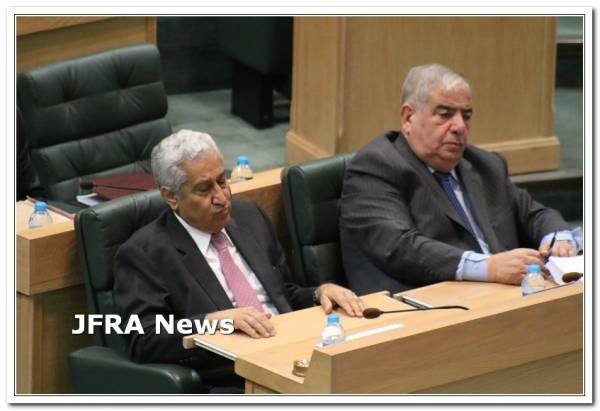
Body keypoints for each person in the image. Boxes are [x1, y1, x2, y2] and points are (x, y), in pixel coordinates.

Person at [113, 129, 364, 393]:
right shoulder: (144, 253)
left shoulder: (249, 216)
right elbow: (144, 338)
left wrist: (319, 293)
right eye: (204, 189)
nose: (222, 198)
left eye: (222, 181)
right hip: (234, 379)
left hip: (296, 354)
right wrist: (213, 322)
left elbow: (284, 293)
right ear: (171, 196)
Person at [339, 63, 581, 295]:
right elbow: (400, 247)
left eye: (466, 116)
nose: (460, 127)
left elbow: (534, 214)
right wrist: (489, 267)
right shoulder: (376, 166)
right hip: (429, 306)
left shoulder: (485, 164)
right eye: (445, 114)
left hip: (506, 297)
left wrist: (558, 237)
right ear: (408, 118)